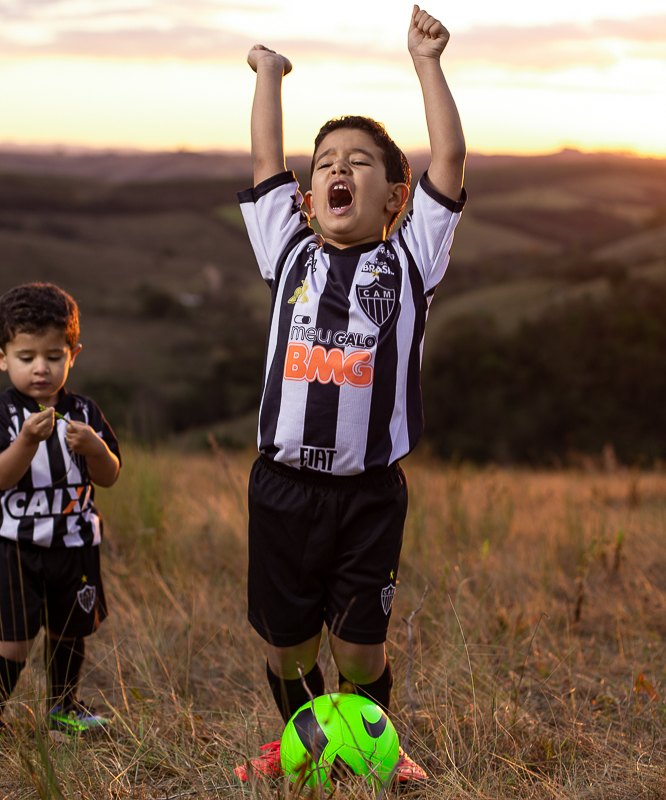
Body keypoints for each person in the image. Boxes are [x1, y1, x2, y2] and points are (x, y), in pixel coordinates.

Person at [235, 4, 466, 783]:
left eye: (359, 162)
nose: (338, 169)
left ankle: (382, 749)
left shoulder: (410, 263)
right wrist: (270, 75)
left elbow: (451, 164)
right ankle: (301, 742)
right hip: (281, 489)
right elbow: (267, 159)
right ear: (307, 197)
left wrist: (426, 63)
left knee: (361, 648)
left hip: (369, 494)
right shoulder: (288, 250)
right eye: (327, 161)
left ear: (395, 197)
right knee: (287, 646)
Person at [0, 282, 122, 755]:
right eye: (26, 356)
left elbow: (109, 476)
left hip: (75, 545)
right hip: (16, 547)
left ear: (73, 354)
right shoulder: (2, 414)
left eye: (54, 355)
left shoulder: (84, 411)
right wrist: (28, 441)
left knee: (70, 630)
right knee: (11, 644)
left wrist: (94, 446)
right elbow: (3, 477)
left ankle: (63, 708)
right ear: (0, 357)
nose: (40, 368)